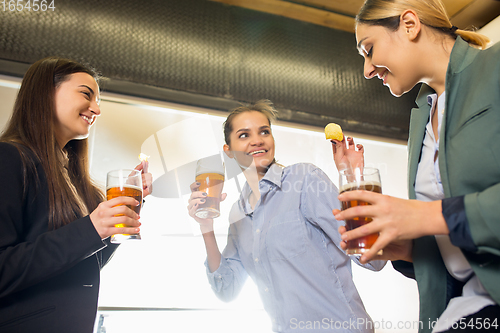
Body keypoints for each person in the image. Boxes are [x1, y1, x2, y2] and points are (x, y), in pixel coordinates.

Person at [331, 1, 500, 332]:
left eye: (369, 49)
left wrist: (424, 217)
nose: (366, 70)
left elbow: (445, 217)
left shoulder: (495, 69)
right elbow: (458, 255)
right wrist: (408, 248)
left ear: (409, 24)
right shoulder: (422, 116)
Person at [188, 100, 385, 333]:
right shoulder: (238, 213)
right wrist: (206, 226)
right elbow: (226, 290)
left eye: (264, 131)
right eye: (244, 135)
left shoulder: (305, 180)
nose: (257, 140)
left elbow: (375, 259)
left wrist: (353, 178)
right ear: (228, 151)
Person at [0, 57, 153, 333]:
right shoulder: (9, 158)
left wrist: (123, 215)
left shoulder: (72, 180)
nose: (96, 109)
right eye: (86, 94)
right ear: (46, 91)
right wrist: (92, 228)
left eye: (98, 101)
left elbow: (80, 268)